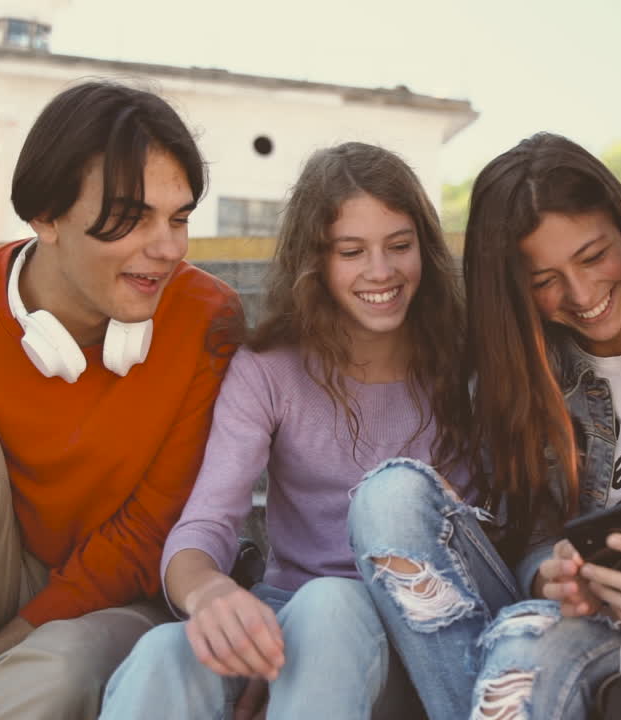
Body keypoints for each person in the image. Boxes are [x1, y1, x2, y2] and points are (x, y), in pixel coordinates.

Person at [0, 80, 242, 719]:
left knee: (44, 679)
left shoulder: (208, 320)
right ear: (46, 216)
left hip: (108, 601)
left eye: (180, 217)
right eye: (132, 217)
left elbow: (145, 538)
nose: (168, 248)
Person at [348, 132, 621, 720]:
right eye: (545, 280)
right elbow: (529, 539)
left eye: (594, 256)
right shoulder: (515, 381)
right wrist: (553, 577)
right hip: (573, 616)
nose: (583, 293)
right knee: (387, 497)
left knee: (521, 645)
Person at [99, 141, 473, 720]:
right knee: (164, 653)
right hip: (291, 616)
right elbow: (206, 523)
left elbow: (492, 541)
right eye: (352, 251)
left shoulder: (463, 365)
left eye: (399, 246)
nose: (381, 271)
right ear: (316, 262)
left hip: (417, 637)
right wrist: (211, 594)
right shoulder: (269, 369)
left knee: (331, 606)